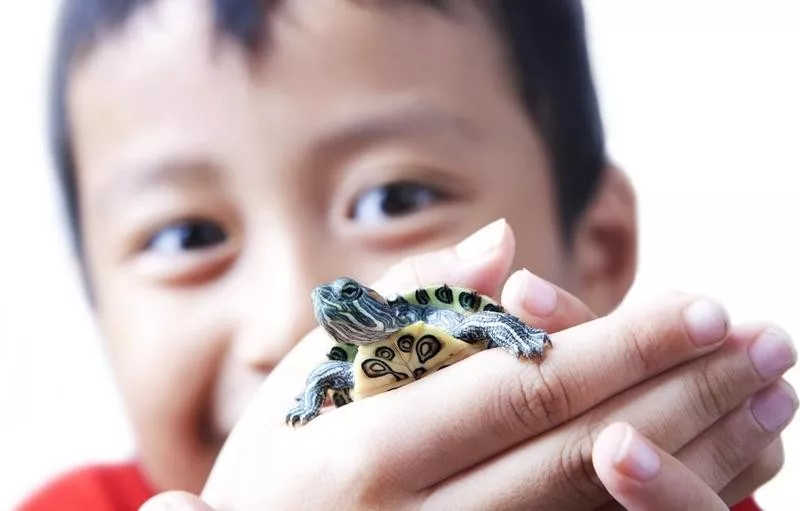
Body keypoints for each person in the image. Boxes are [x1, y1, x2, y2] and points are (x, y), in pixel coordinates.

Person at [19, 0, 796, 510]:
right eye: (186, 236)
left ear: (601, 245)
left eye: (394, 198)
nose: (287, 315)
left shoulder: (660, 483)